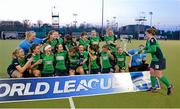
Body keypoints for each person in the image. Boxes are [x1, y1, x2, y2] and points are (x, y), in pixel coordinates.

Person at [142, 28, 173, 95]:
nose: (145, 35)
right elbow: (146, 47)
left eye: (146, 33)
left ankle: (169, 86)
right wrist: (139, 50)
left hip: (159, 59)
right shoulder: (148, 40)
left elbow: (153, 49)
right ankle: (153, 88)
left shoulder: (152, 40)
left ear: (150, 34)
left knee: (159, 75)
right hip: (154, 60)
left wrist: (144, 51)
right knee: (152, 72)